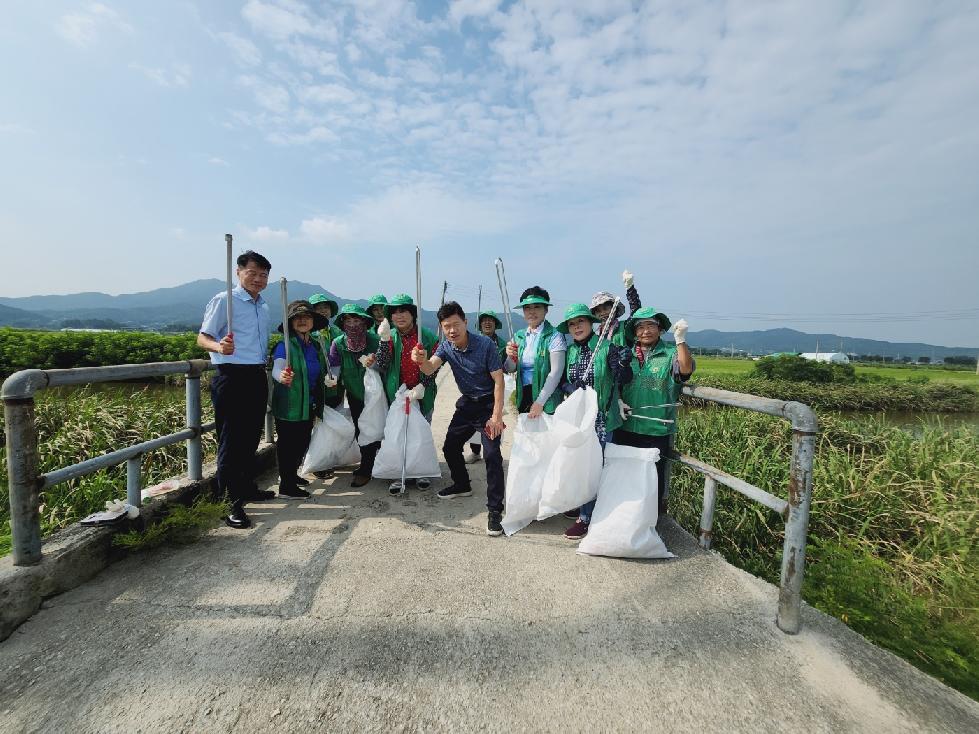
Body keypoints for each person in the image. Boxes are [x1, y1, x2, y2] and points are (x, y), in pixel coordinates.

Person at [411, 301, 507, 536]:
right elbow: (429, 369)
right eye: (446, 327)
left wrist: (496, 416)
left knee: (492, 455)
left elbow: (499, 381)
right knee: (450, 447)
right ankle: (462, 484)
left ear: (465, 322)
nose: (452, 330)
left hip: (487, 404)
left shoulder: (485, 345)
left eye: (455, 324)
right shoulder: (446, 347)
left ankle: (495, 510)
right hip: (467, 404)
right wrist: (420, 360)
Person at [197, 250, 273, 530]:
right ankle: (228, 501)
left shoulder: (263, 306)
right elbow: (202, 337)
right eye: (252, 273)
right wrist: (219, 347)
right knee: (231, 439)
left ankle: (246, 487)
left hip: (255, 373)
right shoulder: (224, 300)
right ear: (238, 272)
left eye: (263, 275)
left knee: (251, 435)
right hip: (231, 374)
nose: (257, 279)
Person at [554, 303, 634, 540]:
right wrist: (570, 387)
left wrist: (622, 363)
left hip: (601, 420)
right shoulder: (570, 352)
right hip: (578, 419)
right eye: (571, 324)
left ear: (591, 323)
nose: (576, 327)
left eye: (580, 321)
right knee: (578, 465)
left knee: (595, 469)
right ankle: (581, 505)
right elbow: (561, 382)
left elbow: (624, 378)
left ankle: (587, 517)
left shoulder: (607, 348)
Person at [613, 308, 694, 516]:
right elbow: (615, 384)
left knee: (652, 483)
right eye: (640, 327)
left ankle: (650, 526)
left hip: (656, 429)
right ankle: (625, 523)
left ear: (659, 329)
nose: (645, 331)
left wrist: (680, 339)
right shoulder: (627, 354)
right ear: (635, 332)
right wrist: (619, 400)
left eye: (650, 326)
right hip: (626, 426)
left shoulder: (670, 354)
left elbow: (685, 371)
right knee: (623, 479)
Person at [374, 293, 439, 493]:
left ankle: (420, 471)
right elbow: (382, 365)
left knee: (420, 433)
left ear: (412, 314)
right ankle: (397, 472)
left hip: (422, 392)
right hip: (397, 393)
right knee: (397, 434)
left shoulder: (427, 337)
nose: (399, 316)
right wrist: (384, 341)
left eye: (404, 311)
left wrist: (423, 386)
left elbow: (434, 366)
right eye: (395, 312)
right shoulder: (390, 335)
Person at [270, 301, 328, 499]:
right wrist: (281, 377)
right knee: (288, 444)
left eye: (307, 317)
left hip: (309, 402)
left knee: (303, 441)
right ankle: (286, 486)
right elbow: (277, 367)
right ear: (291, 323)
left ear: (313, 321)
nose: (302, 320)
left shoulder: (315, 345)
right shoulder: (284, 345)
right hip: (290, 404)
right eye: (297, 318)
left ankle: (291, 476)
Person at [328, 303, 382, 488]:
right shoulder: (338, 344)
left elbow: (387, 365)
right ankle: (367, 467)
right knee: (362, 429)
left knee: (379, 428)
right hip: (355, 394)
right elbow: (334, 369)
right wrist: (331, 380)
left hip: (378, 395)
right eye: (348, 321)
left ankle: (374, 466)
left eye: (356, 320)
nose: (353, 324)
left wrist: (374, 364)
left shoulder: (376, 340)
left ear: (365, 322)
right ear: (342, 324)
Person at [503, 286, 566, 418]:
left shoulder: (555, 336)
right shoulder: (519, 336)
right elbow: (510, 368)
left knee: (546, 438)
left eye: (537, 307)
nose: (532, 312)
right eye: (527, 308)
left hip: (548, 399)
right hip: (524, 396)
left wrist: (539, 402)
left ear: (546, 309)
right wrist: (510, 356)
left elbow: (556, 372)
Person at [466, 310, 508, 463]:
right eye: (484, 320)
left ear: (496, 324)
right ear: (480, 324)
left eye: (491, 320)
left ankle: (493, 453)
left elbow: (506, 367)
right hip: (474, 389)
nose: (488, 323)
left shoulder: (502, 344)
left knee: (495, 421)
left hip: (495, 390)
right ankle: (475, 452)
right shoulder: (472, 341)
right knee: (474, 422)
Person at [308, 294, 343, 408]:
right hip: (314, 387)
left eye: (326, 307)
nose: (323, 311)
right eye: (318, 308)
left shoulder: (338, 333)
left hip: (336, 388)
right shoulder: (307, 334)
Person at [589, 269, 642, 347]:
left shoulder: (624, 327)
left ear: (615, 309)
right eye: (598, 311)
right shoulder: (595, 335)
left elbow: (636, 314)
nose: (602, 313)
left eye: (605, 309)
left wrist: (630, 288)